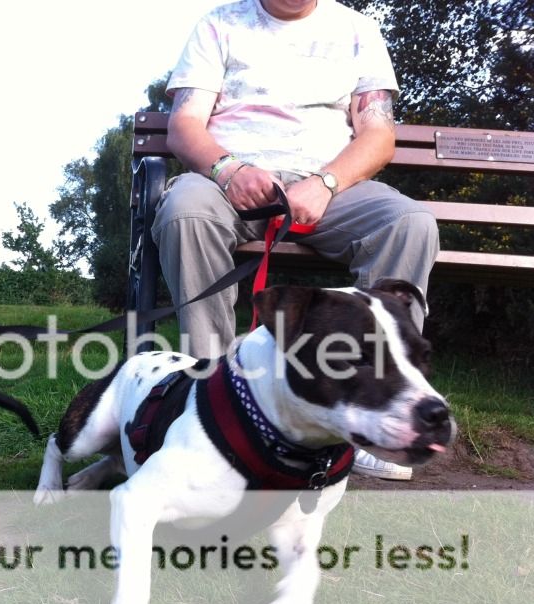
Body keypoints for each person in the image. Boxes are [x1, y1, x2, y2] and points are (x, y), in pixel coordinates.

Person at [152, 0, 439, 480]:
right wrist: (229, 170)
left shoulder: (358, 31)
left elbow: (379, 134)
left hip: (330, 186)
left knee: (410, 223)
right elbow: (184, 126)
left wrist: (325, 184)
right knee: (184, 210)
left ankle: (382, 415)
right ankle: (210, 403)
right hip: (231, 184)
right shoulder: (219, 25)